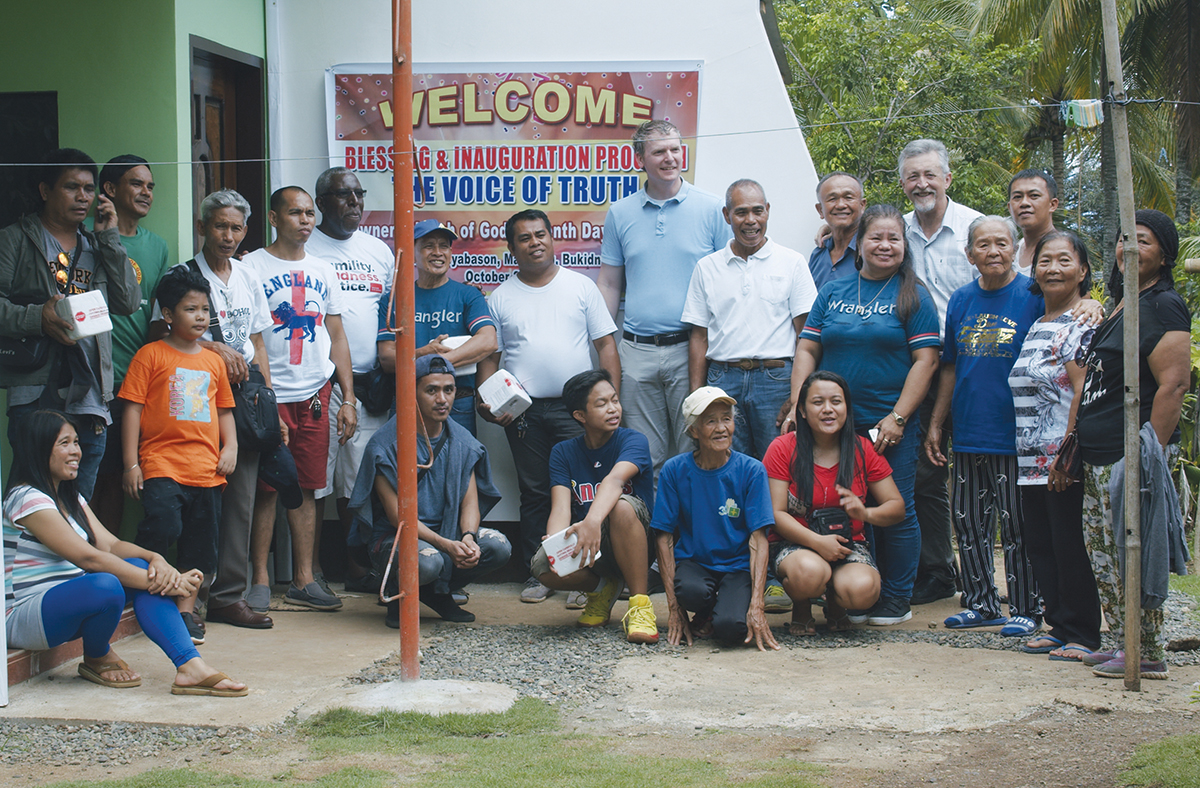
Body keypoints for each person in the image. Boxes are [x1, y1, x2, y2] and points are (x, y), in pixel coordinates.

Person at [2, 410, 247, 696]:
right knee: (107, 584)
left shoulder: (70, 496)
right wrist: (172, 583)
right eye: (64, 443)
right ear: (39, 449)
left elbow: (110, 545)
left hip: (68, 602)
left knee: (134, 565)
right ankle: (97, 655)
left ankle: (190, 666)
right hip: (25, 616)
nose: (76, 452)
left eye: (77, 442)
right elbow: (88, 558)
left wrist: (156, 560)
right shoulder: (26, 498)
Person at [794, 204, 941, 626]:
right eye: (876, 237)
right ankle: (856, 593)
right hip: (832, 425)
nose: (885, 245)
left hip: (886, 425)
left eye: (894, 238)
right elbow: (807, 349)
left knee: (896, 508)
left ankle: (895, 596)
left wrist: (897, 418)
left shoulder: (914, 294)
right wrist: (800, 406)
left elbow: (926, 361)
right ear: (860, 243)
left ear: (904, 245)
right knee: (845, 508)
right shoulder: (834, 291)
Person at [477, 209, 619, 603]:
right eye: (525, 238)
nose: (534, 242)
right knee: (536, 491)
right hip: (524, 413)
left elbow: (606, 345)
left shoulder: (581, 287)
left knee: (584, 491)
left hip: (578, 409)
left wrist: (610, 401)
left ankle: (585, 574)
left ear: (552, 238)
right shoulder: (501, 297)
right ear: (512, 247)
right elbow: (490, 357)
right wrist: (484, 400)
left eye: (541, 234)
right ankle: (540, 572)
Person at [150, 189, 276, 629]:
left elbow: (258, 340)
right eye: (219, 226)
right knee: (187, 506)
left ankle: (227, 595)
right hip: (192, 405)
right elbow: (157, 330)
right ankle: (183, 600)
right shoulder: (181, 275)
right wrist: (211, 346)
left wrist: (269, 402)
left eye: (236, 227)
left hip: (241, 402)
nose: (228, 235)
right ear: (202, 226)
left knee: (240, 500)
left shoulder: (247, 274)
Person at [1073, 210, 1191, 680]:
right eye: (1124, 239)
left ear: (1162, 254)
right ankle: (1123, 639)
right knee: (1104, 553)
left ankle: (1147, 650)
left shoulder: (1163, 304)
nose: (1130, 248)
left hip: (1132, 453)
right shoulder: (1123, 301)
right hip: (1099, 452)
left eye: (1142, 241)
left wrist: (1148, 454)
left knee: (1133, 549)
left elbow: (1174, 385)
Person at [924, 216, 1043, 636]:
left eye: (1001, 243)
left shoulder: (1033, 294)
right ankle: (981, 603)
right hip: (969, 430)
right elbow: (950, 366)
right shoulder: (960, 300)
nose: (993, 251)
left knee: (1016, 524)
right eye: (983, 245)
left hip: (1017, 433)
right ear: (969, 253)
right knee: (968, 520)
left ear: (1014, 248)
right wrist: (938, 422)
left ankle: (1028, 607)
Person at [0, 148, 141, 500]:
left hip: (90, 395)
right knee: (35, 502)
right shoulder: (15, 239)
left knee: (79, 509)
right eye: (71, 187)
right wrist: (37, 318)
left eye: (89, 189)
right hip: (36, 390)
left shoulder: (97, 243)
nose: (83, 197)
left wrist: (110, 239)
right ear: (45, 191)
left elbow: (127, 302)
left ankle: (75, 559)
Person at [245, 186, 357, 612]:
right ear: (274, 218)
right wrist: (262, 394)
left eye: (310, 213)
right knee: (267, 488)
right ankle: (258, 578)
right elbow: (250, 335)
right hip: (269, 396)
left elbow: (337, 334)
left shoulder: (323, 270)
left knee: (308, 486)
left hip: (314, 392)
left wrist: (348, 397)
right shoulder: (250, 266)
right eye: (296, 213)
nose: (306, 221)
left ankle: (304, 579)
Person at [597, 119, 730, 478]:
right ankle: (653, 534)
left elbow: (728, 277)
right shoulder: (620, 213)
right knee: (643, 458)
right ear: (639, 157)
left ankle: (693, 535)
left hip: (691, 350)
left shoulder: (712, 208)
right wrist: (605, 340)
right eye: (659, 151)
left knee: (696, 452)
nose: (669, 158)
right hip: (635, 353)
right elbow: (610, 283)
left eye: (675, 149)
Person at [119, 267, 237, 644]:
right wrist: (131, 464)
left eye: (205, 309)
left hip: (206, 469)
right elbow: (132, 410)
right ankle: (148, 593)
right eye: (191, 309)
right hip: (161, 462)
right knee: (162, 527)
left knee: (202, 543)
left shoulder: (213, 360)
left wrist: (230, 447)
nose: (201, 316)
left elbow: (223, 411)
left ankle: (185, 612)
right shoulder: (150, 355)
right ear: (168, 315)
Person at [349, 354, 509, 628]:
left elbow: (470, 501)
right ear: (411, 393)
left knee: (498, 546)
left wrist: (468, 537)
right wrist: (446, 545)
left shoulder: (462, 440)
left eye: (448, 390)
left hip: (447, 531)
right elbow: (397, 516)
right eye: (431, 390)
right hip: (397, 537)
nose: (442, 399)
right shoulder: (385, 445)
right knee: (429, 562)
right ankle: (400, 595)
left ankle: (438, 594)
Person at [1008, 230, 1102, 660]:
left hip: (1060, 458)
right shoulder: (1037, 324)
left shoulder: (1081, 323)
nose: (1054, 268)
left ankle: (1083, 633)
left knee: (1069, 543)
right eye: (1045, 261)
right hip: (1029, 457)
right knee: (1042, 545)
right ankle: (1058, 625)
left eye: (1065, 260)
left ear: (1083, 270)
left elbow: (1082, 391)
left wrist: (1068, 452)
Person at [898, 139, 983, 607]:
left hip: (973, 370)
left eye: (930, 174)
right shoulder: (898, 231)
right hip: (920, 372)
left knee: (979, 472)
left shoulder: (975, 227)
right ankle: (936, 570)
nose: (922, 183)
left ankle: (983, 576)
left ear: (947, 178)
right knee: (926, 474)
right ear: (903, 183)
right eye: (913, 176)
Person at [682, 178, 818, 460]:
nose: (751, 220)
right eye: (741, 212)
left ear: (768, 210)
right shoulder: (707, 267)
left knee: (781, 462)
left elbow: (806, 335)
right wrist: (697, 393)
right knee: (725, 462)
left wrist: (799, 394)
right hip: (722, 377)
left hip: (776, 379)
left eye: (758, 211)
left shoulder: (792, 262)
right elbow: (699, 336)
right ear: (726, 215)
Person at [306, 168, 394, 594]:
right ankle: (315, 568)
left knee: (358, 477)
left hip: (368, 384)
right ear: (322, 203)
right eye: (345, 195)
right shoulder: (306, 248)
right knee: (317, 478)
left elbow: (390, 314)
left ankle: (359, 565)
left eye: (359, 194)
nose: (356, 202)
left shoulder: (378, 250)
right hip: (319, 383)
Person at [764, 371, 905, 634]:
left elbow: (896, 507)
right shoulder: (783, 448)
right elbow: (775, 512)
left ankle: (837, 604)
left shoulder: (862, 449)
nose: (828, 409)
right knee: (808, 572)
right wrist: (817, 542)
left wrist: (866, 513)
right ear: (803, 411)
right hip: (794, 544)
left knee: (863, 591)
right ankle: (802, 606)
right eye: (818, 402)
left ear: (847, 408)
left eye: (836, 402)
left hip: (847, 544)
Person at [530, 369, 658, 643]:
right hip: (591, 547)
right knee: (542, 566)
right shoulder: (563, 452)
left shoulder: (633, 440)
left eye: (614, 400)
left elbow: (614, 480)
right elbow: (560, 507)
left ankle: (640, 605)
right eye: (602, 404)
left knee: (621, 506)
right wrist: (555, 545)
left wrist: (591, 521)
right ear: (580, 416)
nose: (613, 409)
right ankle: (601, 589)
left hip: (637, 542)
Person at [651, 386, 779, 650]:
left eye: (726, 418)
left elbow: (759, 539)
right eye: (710, 421)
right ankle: (706, 609)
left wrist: (757, 605)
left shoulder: (751, 470)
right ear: (694, 431)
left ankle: (721, 611)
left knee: (731, 630)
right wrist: (674, 609)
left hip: (737, 567)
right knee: (690, 591)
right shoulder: (674, 470)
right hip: (695, 563)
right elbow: (663, 538)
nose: (721, 428)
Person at [90, 155, 172, 532]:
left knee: (125, 482)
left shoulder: (157, 246)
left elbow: (158, 316)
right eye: (137, 184)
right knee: (92, 478)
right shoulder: (88, 241)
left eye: (150, 186)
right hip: (94, 382)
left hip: (138, 384)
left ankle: (115, 576)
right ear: (109, 189)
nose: (146, 193)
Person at [377, 218, 497, 435]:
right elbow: (387, 358)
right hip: (408, 400)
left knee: (459, 467)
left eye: (444, 246)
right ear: (413, 253)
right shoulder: (394, 299)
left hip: (456, 403)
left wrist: (435, 363)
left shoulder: (468, 294)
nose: (438, 252)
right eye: (428, 246)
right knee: (404, 468)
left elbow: (488, 341)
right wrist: (424, 352)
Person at [808, 173, 866, 290]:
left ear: (862, 205)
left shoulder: (871, 252)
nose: (840, 205)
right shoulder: (818, 255)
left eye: (848, 197)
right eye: (832, 199)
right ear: (820, 210)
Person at [1007, 169, 1060, 276]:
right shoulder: (1011, 252)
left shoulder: (1067, 251)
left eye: (1034, 196)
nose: (1024, 203)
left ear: (1052, 204)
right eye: (1017, 197)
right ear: (1009, 207)